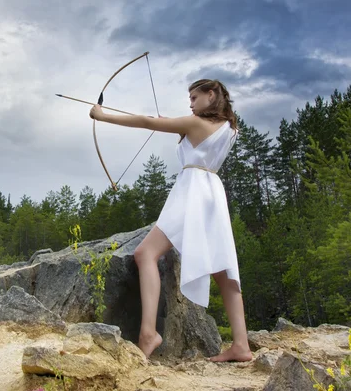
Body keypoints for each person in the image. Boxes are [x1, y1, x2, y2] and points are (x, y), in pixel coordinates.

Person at [89, 79, 252, 363]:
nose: (190, 103)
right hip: (212, 192)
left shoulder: (195, 124)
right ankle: (241, 345)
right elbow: (191, 137)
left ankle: (148, 333)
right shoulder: (228, 127)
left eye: (194, 97)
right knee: (224, 271)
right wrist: (178, 124)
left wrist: (102, 116)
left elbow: (145, 121)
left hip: (192, 193)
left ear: (210, 95)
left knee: (145, 253)